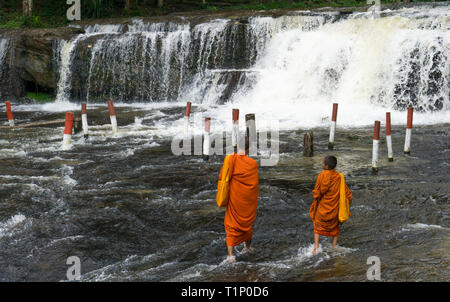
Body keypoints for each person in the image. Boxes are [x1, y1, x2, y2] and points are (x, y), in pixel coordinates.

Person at [218, 137, 259, 263]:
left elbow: (222, 176)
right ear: (249, 148)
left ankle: (230, 256)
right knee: (247, 223)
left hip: (235, 198)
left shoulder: (231, 159)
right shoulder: (253, 164)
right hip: (247, 200)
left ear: (237, 146)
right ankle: (247, 247)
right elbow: (254, 185)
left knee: (231, 225)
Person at [310, 155, 352, 255]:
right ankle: (334, 245)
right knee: (335, 227)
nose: (322, 164)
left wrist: (316, 197)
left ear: (326, 166)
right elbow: (347, 193)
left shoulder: (321, 175)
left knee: (317, 225)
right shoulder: (339, 177)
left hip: (323, 206)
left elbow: (317, 192)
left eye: (323, 163)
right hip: (334, 207)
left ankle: (316, 246)